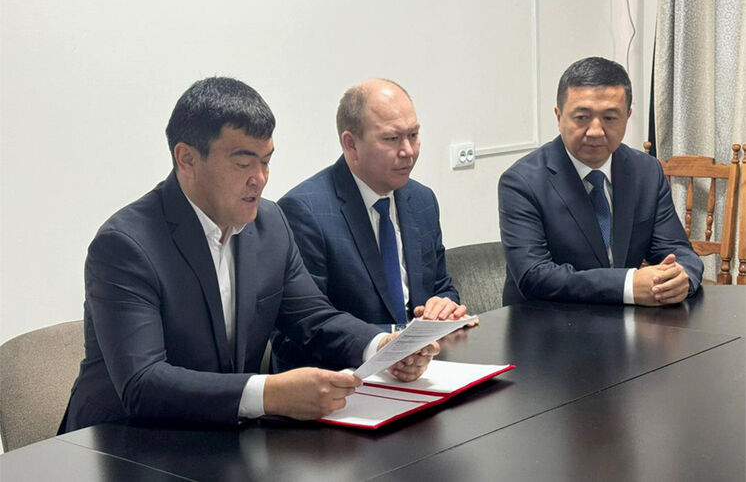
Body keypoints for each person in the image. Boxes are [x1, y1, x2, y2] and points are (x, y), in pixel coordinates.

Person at [59, 77, 439, 433]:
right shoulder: (126, 245)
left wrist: (382, 346)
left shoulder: (270, 223)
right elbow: (142, 383)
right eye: (243, 163)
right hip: (121, 442)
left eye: (266, 160)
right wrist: (268, 393)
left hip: (219, 436)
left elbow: (314, 318)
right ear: (186, 158)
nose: (260, 177)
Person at [271, 79, 468, 372]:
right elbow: (304, 327)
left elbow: (441, 286)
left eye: (413, 135)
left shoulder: (421, 199)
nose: (408, 151)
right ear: (351, 144)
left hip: (424, 368)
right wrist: (387, 344)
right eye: (392, 139)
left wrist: (444, 306)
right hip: (348, 375)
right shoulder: (305, 211)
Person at [498, 57, 703, 307]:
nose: (595, 131)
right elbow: (533, 275)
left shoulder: (646, 171)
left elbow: (678, 250)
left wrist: (681, 277)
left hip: (625, 321)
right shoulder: (521, 182)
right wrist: (627, 285)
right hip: (546, 322)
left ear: (627, 116)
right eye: (581, 117)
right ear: (559, 116)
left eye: (610, 118)